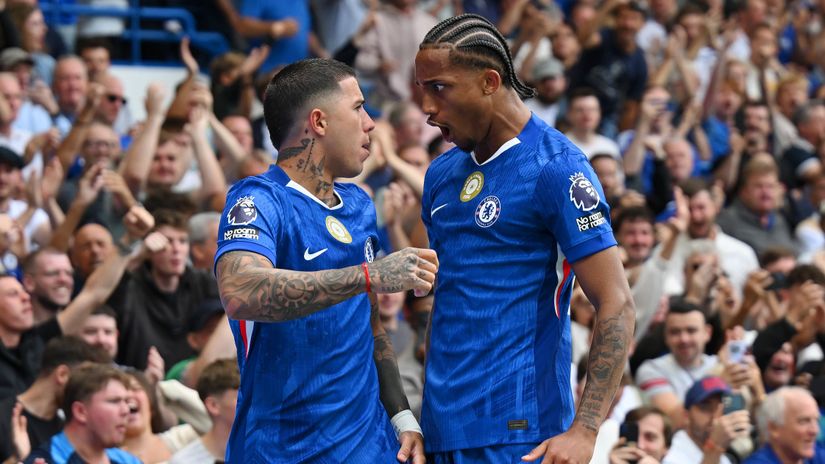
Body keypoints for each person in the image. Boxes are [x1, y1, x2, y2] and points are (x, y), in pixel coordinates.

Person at [414, 13, 635, 463]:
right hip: (442, 430)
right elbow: (449, 295)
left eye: (439, 87)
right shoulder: (439, 174)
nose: (428, 108)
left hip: (522, 432)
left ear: (490, 81)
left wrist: (586, 430)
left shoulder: (558, 168)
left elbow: (616, 303)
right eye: (423, 90)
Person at [214, 58, 438, 463]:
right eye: (358, 108)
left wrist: (403, 417)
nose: (370, 123)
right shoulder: (258, 199)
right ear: (319, 121)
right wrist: (368, 275)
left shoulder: (359, 205)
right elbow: (239, 290)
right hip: (283, 448)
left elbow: (370, 326)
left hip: (369, 445)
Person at [23, 362, 140, 464]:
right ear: (80, 412)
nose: (126, 410)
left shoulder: (128, 461)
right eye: (114, 401)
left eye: (126, 402)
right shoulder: (46, 460)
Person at [662, 376, 751, 464]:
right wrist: (715, 446)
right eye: (706, 407)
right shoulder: (670, 454)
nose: (715, 417)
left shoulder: (724, 458)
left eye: (722, 408)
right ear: (686, 416)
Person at [169, 359, 239, 464]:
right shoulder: (184, 461)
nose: (251, 405)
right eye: (240, 399)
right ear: (213, 406)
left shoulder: (264, 450)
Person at [746, 387, 825, 463]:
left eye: (816, 421)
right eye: (804, 421)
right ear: (774, 428)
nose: (815, 431)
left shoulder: (817, 456)